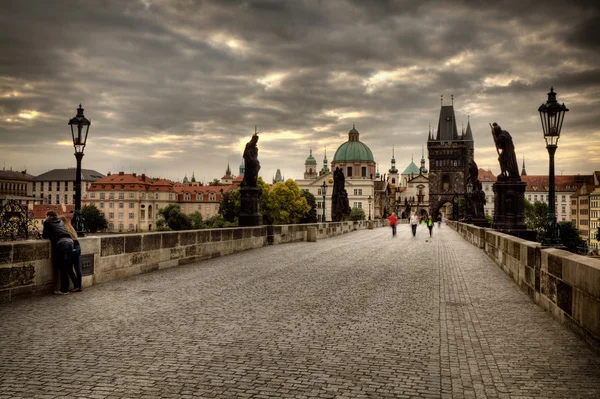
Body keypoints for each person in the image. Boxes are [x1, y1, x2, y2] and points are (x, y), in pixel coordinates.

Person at [42, 211, 74, 295]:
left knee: (63, 268)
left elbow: (44, 235)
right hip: (70, 242)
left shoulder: (47, 222)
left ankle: (64, 290)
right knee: (66, 267)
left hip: (62, 244)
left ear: (48, 216)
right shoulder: (60, 221)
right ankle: (66, 288)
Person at [60, 216, 83, 292]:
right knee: (77, 269)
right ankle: (79, 286)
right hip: (78, 247)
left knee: (69, 268)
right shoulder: (71, 228)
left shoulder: (64, 229)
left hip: (72, 247)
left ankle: (76, 285)